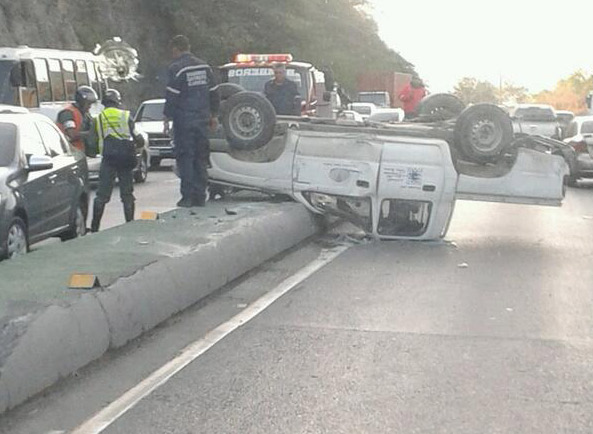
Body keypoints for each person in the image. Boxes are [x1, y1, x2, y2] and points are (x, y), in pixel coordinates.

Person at [163, 34, 220, 208]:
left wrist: (167, 117)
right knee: (201, 158)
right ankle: (200, 195)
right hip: (202, 119)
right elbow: (214, 92)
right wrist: (214, 115)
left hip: (184, 121)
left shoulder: (177, 69)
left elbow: (172, 96)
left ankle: (187, 197)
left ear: (176, 49)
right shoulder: (205, 67)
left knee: (185, 157)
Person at [88, 89, 145, 232]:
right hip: (125, 159)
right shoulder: (125, 116)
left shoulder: (98, 119)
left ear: (104, 103)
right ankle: (130, 223)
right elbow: (138, 138)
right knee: (127, 194)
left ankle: (95, 228)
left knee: (101, 195)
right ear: (117, 102)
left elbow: (92, 142)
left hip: (108, 159)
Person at [56, 85, 97, 153]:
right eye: (88, 103)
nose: (90, 106)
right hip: (70, 153)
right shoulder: (67, 114)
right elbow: (72, 135)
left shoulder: (86, 114)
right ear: (81, 102)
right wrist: (91, 133)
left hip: (81, 152)